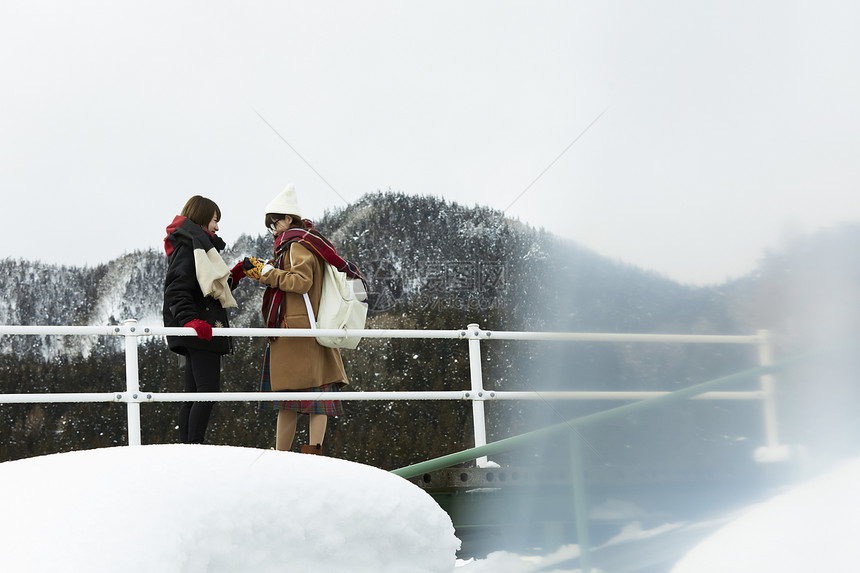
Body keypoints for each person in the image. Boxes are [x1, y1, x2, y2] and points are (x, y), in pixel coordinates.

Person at [243, 183, 363, 454]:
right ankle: (312, 452)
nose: (273, 229)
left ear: (288, 218)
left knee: (292, 398)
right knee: (314, 397)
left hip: (296, 330)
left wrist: (266, 273)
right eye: (269, 225)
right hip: (308, 326)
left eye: (275, 222)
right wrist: (267, 271)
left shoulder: (296, 245)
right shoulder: (307, 240)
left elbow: (301, 282)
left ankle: (283, 455)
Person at [163, 195, 246, 444]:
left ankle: (188, 446)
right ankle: (194, 445)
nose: (217, 226)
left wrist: (236, 275)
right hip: (202, 329)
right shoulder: (190, 246)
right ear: (201, 217)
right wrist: (190, 320)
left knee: (193, 394)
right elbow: (177, 288)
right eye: (214, 220)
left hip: (200, 327)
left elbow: (204, 284)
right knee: (207, 392)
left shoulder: (193, 244)